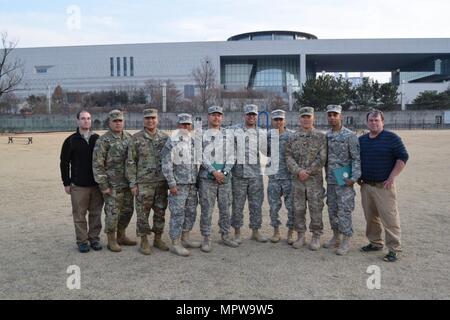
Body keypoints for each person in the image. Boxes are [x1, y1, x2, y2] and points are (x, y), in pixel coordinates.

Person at [359, 110, 409, 262]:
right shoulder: (362, 140)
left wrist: (392, 176)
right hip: (366, 186)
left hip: (384, 186)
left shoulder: (391, 138)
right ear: (367, 122)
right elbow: (357, 160)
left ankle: (394, 249)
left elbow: (403, 157)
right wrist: (358, 177)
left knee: (389, 218)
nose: (374, 123)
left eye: (376, 120)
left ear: (382, 122)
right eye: (371, 120)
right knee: (370, 217)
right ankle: (375, 243)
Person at [126, 108, 170, 255]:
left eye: (153, 118)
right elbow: (130, 162)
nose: (150, 121)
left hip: (161, 183)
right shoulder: (136, 138)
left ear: (157, 120)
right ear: (143, 120)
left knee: (160, 212)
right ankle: (144, 240)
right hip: (144, 183)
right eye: (147, 118)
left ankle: (158, 238)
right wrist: (132, 183)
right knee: (142, 213)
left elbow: (169, 160)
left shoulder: (164, 137)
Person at [60, 110, 104, 253]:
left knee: (95, 214)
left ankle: (94, 239)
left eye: (89, 118)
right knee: (79, 214)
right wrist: (66, 183)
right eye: (83, 118)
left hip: (96, 185)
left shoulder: (98, 139)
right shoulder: (71, 140)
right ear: (77, 120)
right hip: (78, 185)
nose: (86, 121)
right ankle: (82, 241)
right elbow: (64, 163)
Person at [93, 109, 136, 253]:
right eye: (115, 121)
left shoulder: (129, 138)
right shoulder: (103, 141)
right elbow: (97, 164)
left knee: (128, 211)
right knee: (112, 213)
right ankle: (111, 239)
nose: (118, 123)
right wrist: (103, 185)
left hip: (127, 184)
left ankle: (121, 235)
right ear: (109, 123)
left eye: (120, 121)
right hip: (112, 185)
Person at [286, 107, 327, 251]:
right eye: (303, 117)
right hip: (298, 181)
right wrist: (298, 171)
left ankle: (316, 236)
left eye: (308, 117)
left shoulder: (321, 137)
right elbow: (288, 156)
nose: (306, 119)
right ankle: (300, 235)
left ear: (313, 118)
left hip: (314, 181)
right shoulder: (292, 137)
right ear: (299, 119)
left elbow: (322, 158)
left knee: (316, 208)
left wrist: (308, 172)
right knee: (298, 208)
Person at [198, 106, 238, 252]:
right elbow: (199, 155)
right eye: (213, 115)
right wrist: (214, 171)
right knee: (207, 209)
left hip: (224, 180)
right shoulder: (201, 134)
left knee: (225, 208)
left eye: (219, 115)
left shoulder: (228, 134)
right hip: (207, 179)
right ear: (208, 117)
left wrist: (225, 172)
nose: (216, 118)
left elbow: (232, 154)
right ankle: (206, 237)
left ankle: (225, 235)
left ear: (222, 117)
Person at [324, 105, 361, 255]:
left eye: (335, 114)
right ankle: (336, 236)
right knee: (332, 209)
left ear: (341, 116)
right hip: (331, 180)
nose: (332, 117)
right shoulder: (327, 135)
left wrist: (354, 178)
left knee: (344, 210)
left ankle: (346, 240)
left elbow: (356, 159)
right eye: (330, 115)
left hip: (344, 180)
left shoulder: (350, 136)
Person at [161, 113, 200, 257]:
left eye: (188, 124)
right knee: (177, 214)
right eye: (183, 124)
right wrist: (171, 183)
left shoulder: (193, 141)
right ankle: (176, 242)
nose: (186, 127)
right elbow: (166, 163)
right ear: (178, 125)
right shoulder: (172, 141)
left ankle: (186, 237)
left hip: (191, 184)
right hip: (178, 185)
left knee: (191, 212)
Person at [230, 104, 268, 244]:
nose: (251, 117)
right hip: (238, 175)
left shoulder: (262, 133)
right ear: (244, 115)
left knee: (256, 205)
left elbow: (268, 151)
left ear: (257, 116)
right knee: (237, 205)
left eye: (254, 114)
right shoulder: (234, 130)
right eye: (249, 114)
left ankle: (255, 231)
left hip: (255, 176)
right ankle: (237, 232)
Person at [266, 109, 295, 244]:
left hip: (289, 178)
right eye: (275, 119)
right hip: (274, 178)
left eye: (280, 119)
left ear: (285, 121)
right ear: (272, 121)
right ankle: (276, 232)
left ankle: (290, 232)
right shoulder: (267, 136)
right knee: (273, 207)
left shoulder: (292, 136)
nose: (278, 122)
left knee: (291, 206)